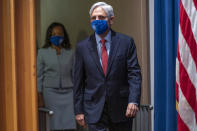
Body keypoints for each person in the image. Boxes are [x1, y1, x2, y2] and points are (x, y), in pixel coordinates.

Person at [73, 2, 142, 131]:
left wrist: (133, 100)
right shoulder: (82, 47)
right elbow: (78, 81)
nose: (97, 20)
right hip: (94, 108)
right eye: (94, 18)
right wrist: (78, 110)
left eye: (101, 17)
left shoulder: (126, 43)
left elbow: (134, 74)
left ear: (111, 20)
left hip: (121, 109)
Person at [37, 22, 76, 131]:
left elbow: (75, 74)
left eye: (60, 34)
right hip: (50, 94)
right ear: (49, 36)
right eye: (54, 34)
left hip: (69, 93)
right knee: (52, 124)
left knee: (68, 124)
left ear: (64, 36)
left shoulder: (71, 52)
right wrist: (39, 96)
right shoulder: (42, 52)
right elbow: (39, 76)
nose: (57, 36)